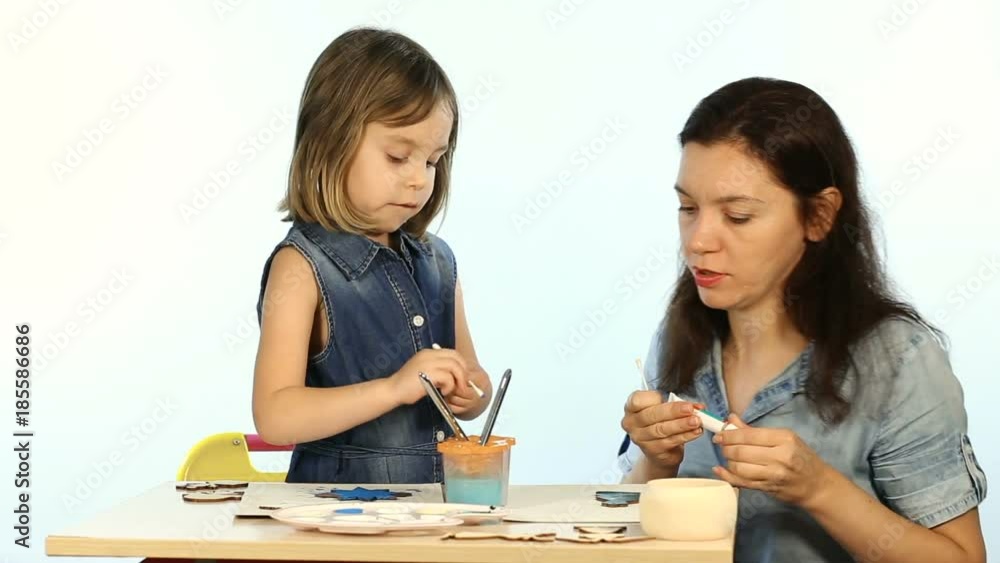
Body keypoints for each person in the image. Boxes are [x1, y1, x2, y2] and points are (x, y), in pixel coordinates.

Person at [618, 77, 987, 562]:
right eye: (688, 208)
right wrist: (655, 461)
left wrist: (819, 489)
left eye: (738, 216)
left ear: (819, 216)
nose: (698, 240)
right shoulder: (679, 338)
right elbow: (622, 530)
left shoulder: (899, 362)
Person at [251, 27, 492, 484]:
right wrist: (393, 389)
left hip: (433, 510)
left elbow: (473, 374)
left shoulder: (439, 262)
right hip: (335, 516)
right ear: (330, 144)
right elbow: (276, 416)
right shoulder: (302, 267)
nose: (419, 179)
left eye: (432, 160)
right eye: (398, 157)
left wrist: (472, 392)